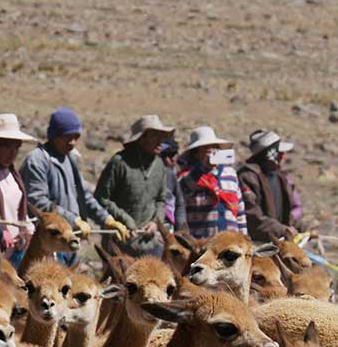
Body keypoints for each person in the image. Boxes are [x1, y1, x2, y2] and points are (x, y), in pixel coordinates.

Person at [21, 109, 123, 253]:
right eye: (67, 137)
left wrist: (106, 219)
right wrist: (73, 220)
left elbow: (84, 196)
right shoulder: (37, 160)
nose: (72, 142)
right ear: (54, 135)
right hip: (48, 241)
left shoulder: (69, 158)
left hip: (69, 238)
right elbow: (38, 201)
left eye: (76, 137)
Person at [94, 115, 172, 255]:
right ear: (141, 138)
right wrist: (125, 219)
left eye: (162, 136)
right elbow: (102, 198)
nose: (160, 141)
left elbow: (161, 200)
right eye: (155, 136)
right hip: (119, 243)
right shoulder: (120, 162)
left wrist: (155, 222)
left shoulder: (159, 165)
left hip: (149, 244)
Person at [166, 126, 246, 239]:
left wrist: (244, 235)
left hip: (231, 240)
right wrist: (202, 168)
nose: (212, 151)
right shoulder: (186, 176)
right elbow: (184, 192)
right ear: (196, 153)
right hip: (201, 239)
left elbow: (240, 209)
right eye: (206, 148)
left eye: (214, 147)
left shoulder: (230, 173)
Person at [0, 113, 36, 254]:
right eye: (6, 146)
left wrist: (29, 231)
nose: (12, 153)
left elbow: (20, 213)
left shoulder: (13, 176)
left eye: (16, 147)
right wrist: (0, 230)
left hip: (16, 247)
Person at [237, 130, 301, 244]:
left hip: (278, 241)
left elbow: (287, 214)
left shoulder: (280, 176)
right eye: (279, 152)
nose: (283, 156)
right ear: (270, 154)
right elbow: (253, 217)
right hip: (256, 244)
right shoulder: (247, 177)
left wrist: (304, 228)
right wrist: (282, 230)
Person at [277, 140, 305, 227]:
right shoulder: (253, 177)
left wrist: (290, 217)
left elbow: (297, 207)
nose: (283, 157)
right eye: (280, 154)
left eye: (283, 154)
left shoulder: (286, 179)